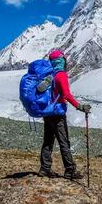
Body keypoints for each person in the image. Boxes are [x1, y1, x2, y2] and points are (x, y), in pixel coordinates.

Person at [39, 49, 91, 180]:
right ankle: (70, 170)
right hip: (58, 114)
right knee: (64, 142)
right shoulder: (60, 75)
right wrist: (80, 107)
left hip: (47, 113)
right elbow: (66, 95)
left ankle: (44, 169)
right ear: (61, 61)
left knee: (48, 142)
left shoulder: (47, 75)